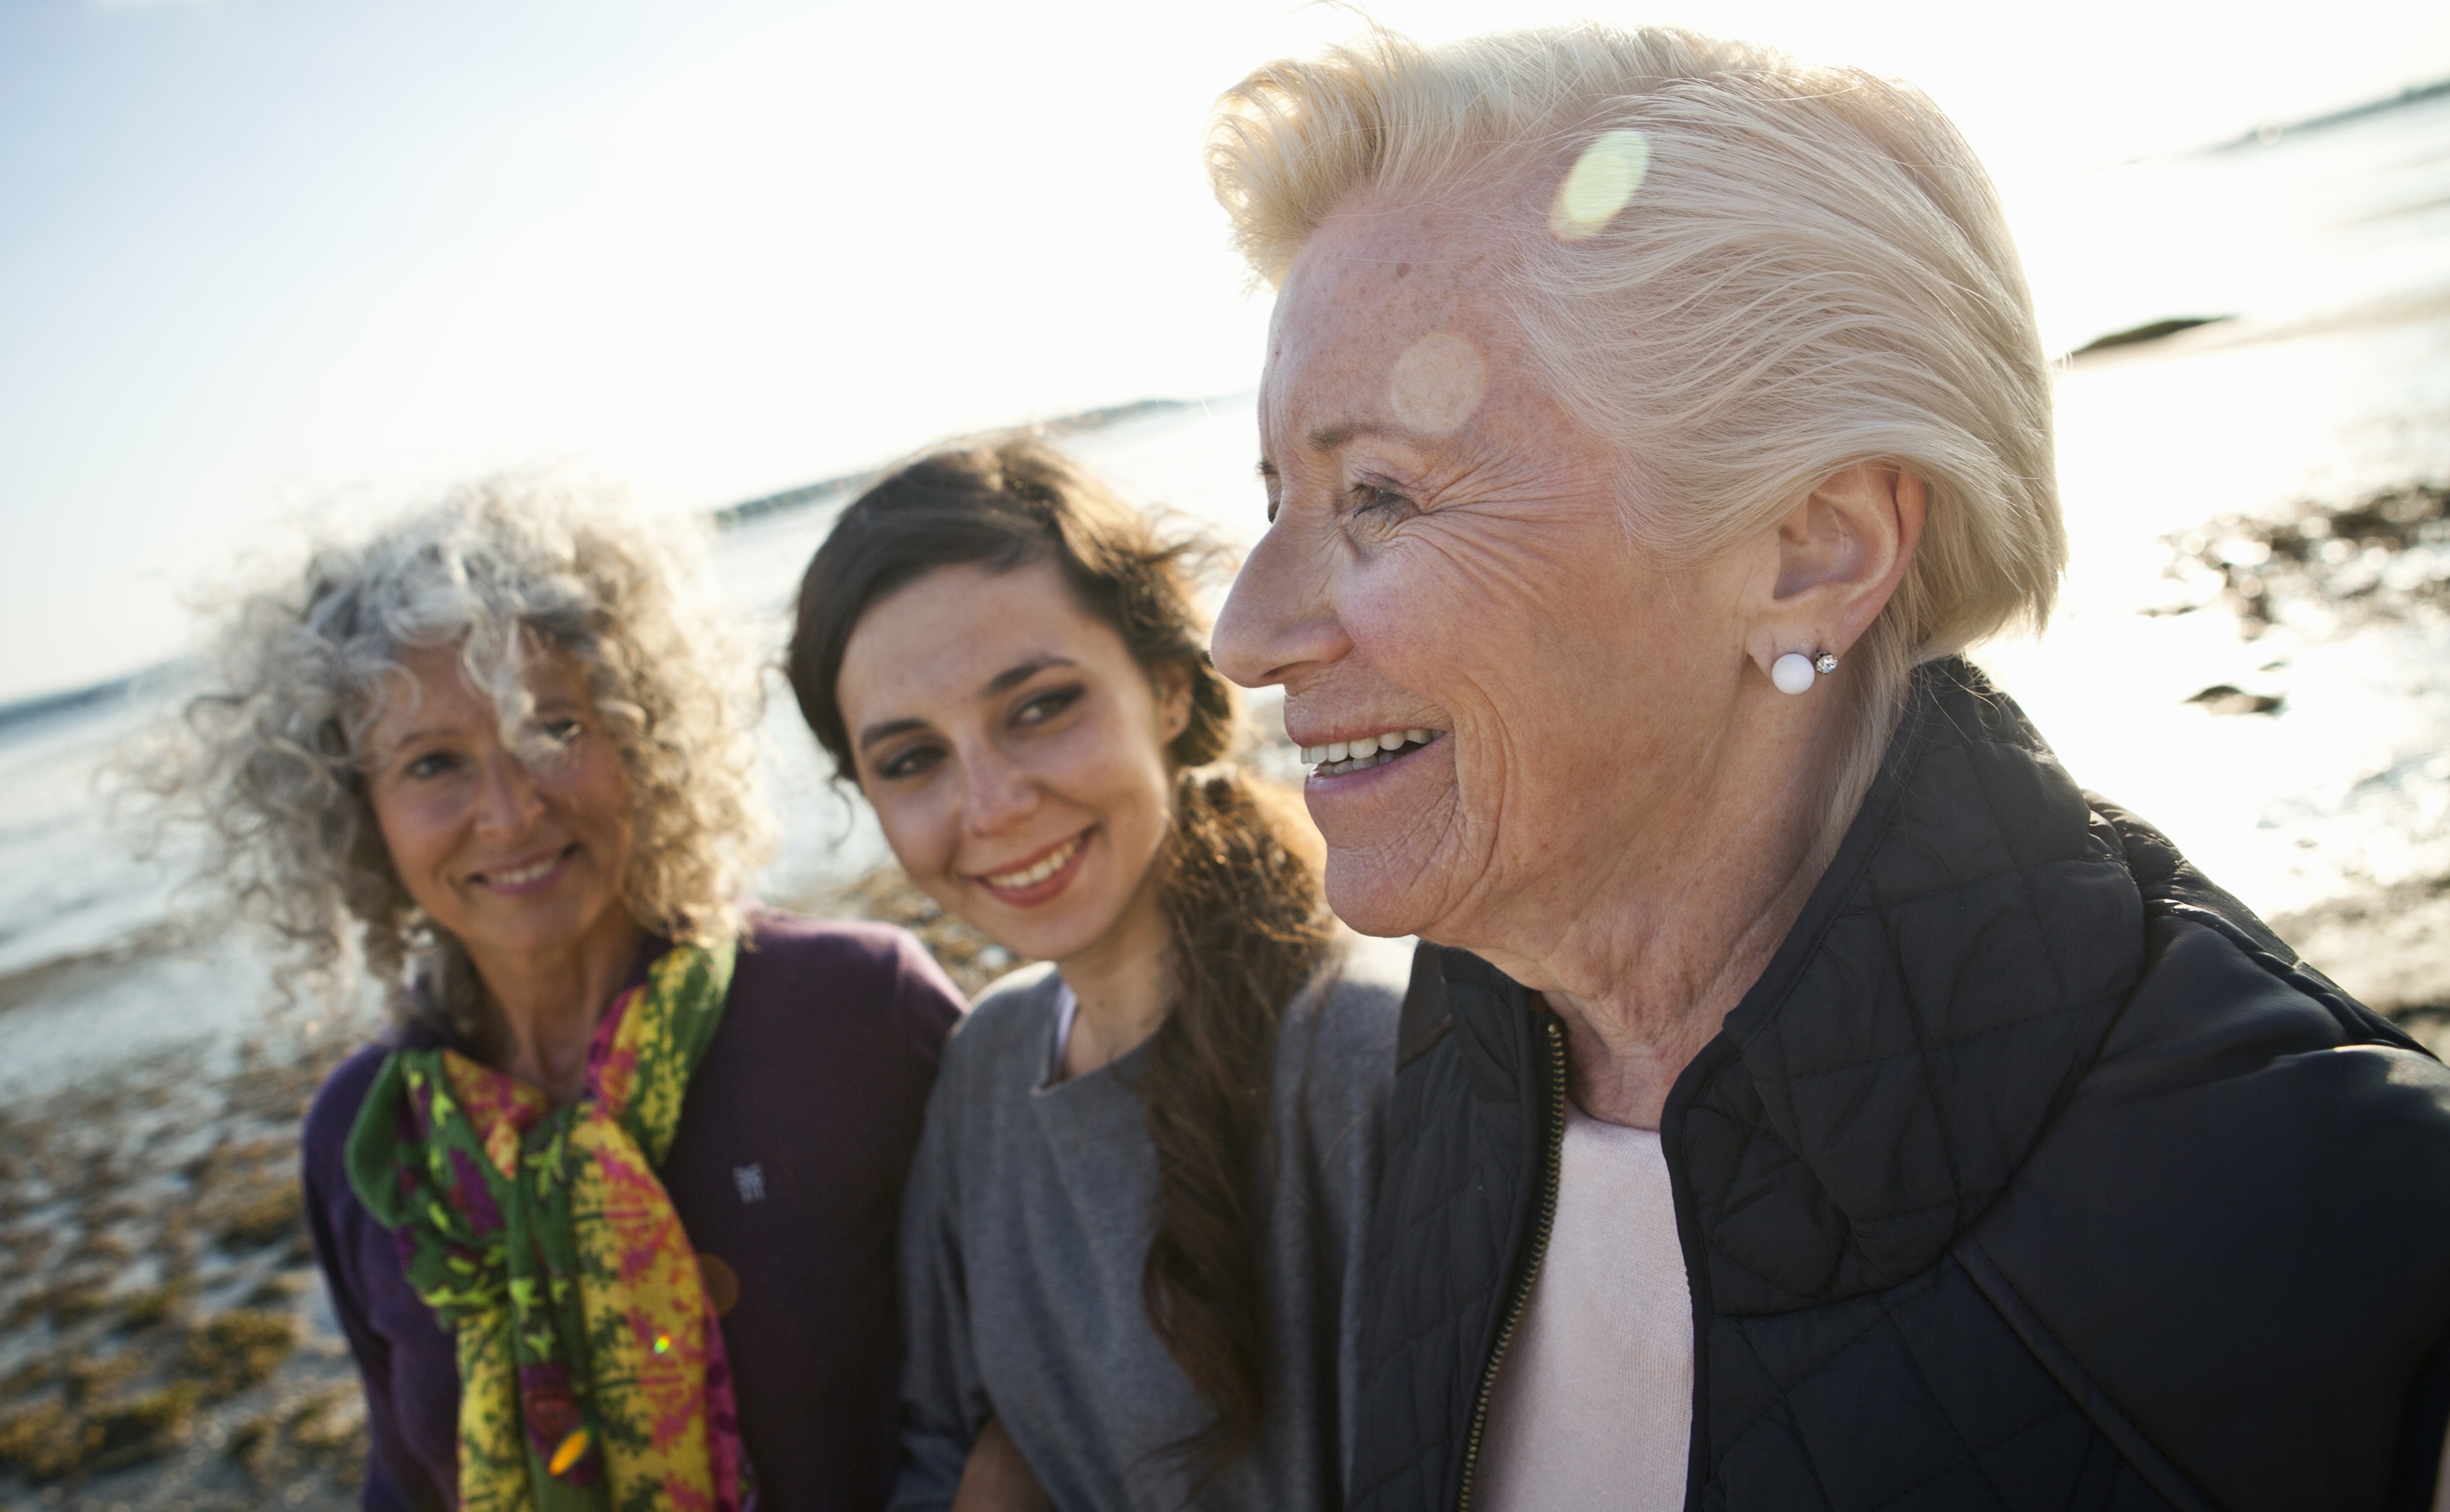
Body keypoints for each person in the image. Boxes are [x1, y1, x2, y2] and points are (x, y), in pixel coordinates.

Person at [1201, 24, 2450, 1512]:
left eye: (1379, 498)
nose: (1244, 633)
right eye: (1274, 495)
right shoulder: (1468, 1061)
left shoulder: (2347, 1232)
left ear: (1817, 549)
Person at [144, 477, 964, 1511]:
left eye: (557, 730)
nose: (508, 809)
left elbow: (1027, 1384)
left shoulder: (855, 1010)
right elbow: (402, 1485)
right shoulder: (369, 1140)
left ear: (642, 734)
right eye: (434, 763)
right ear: (355, 814)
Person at [785, 438, 1408, 1512]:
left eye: (1038, 707)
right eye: (911, 759)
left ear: (1168, 690)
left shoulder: (1361, 1054)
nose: (989, 806)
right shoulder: (985, 1066)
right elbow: (939, 1443)